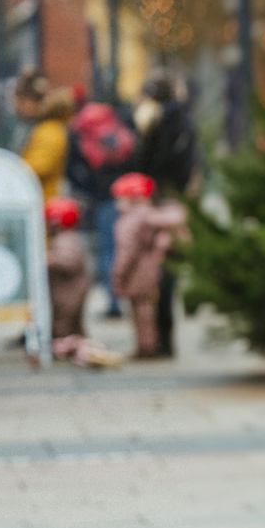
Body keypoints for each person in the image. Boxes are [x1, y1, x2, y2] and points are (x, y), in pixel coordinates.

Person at [134, 70, 198, 354]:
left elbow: (149, 161)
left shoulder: (156, 120)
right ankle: (165, 337)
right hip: (177, 202)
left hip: (158, 202)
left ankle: (159, 338)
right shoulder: (183, 119)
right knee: (169, 266)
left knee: (157, 268)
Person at [66, 98, 138, 317]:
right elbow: (136, 155)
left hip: (102, 198)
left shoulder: (81, 130)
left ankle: (113, 302)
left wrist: (88, 189)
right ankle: (136, 299)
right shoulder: (118, 121)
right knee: (130, 248)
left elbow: (71, 168)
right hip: (129, 196)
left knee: (107, 250)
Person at [111, 172, 186, 359]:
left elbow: (125, 252)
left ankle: (146, 347)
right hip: (152, 270)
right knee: (150, 310)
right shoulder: (151, 215)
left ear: (133, 199)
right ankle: (156, 345)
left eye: (120, 199)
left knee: (141, 312)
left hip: (137, 273)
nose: (116, 204)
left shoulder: (129, 221)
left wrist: (117, 275)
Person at [14, 69, 73, 200]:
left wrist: (11, 169)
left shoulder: (49, 129)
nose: (17, 107)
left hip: (45, 203)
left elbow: (38, 167)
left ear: (31, 100)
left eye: (20, 101)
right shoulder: (39, 127)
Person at [44, 196, 91, 340]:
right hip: (71, 289)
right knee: (73, 322)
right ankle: (78, 345)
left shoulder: (64, 239)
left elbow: (69, 262)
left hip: (68, 292)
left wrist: (52, 260)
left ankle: (64, 346)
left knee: (63, 322)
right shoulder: (69, 237)